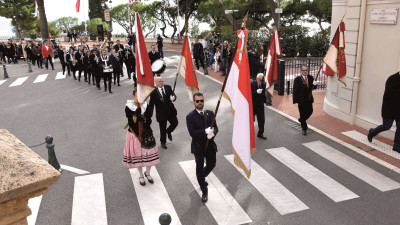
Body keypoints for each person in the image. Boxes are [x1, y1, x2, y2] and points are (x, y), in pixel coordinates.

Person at [186, 92, 218, 203]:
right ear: (194, 102)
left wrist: (213, 133)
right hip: (198, 146)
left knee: (212, 164)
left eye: (202, 101)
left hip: (210, 145)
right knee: (199, 167)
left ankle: (201, 178)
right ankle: (204, 190)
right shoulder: (190, 116)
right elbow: (192, 132)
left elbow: (216, 127)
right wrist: (205, 132)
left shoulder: (210, 113)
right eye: (197, 101)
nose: (200, 103)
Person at [123, 89, 160, 186]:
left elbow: (149, 119)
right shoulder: (129, 107)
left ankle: (147, 173)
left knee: (150, 155)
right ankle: (141, 175)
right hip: (135, 134)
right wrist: (137, 115)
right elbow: (131, 122)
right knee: (138, 157)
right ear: (133, 96)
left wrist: (143, 119)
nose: (139, 98)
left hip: (146, 132)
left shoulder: (145, 105)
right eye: (137, 96)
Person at [368, 72, 400, 152]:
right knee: (387, 126)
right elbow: (387, 95)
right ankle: (372, 132)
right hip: (389, 108)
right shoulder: (392, 79)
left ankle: (396, 146)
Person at [148, 77, 178, 149]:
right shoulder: (153, 91)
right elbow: (151, 104)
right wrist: (149, 115)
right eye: (159, 81)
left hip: (170, 111)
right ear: (156, 83)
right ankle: (163, 142)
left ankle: (169, 130)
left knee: (175, 123)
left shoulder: (168, 87)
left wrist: (173, 97)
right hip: (161, 113)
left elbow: (173, 95)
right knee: (162, 128)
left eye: (162, 81)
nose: (161, 83)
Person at [293, 65, 317, 135]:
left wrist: (315, 85)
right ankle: (304, 128)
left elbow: (313, 88)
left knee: (310, 111)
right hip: (301, 100)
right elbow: (295, 91)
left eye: (306, 70)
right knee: (302, 114)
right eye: (304, 70)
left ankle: (301, 120)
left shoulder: (310, 77)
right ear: (301, 71)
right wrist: (295, 101)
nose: (305, 71)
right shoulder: (297, 79)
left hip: (309, 99)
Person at [251, 73, 267, 139]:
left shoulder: (263, 85)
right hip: (253, 105)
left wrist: (265, 102)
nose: (261, 81)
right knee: (251, 120)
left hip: (260, 105)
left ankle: (260, 133)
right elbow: (250, 93)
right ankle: (249, 134)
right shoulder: (252, 84)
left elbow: (263, 95)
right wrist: (256, 92)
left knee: (261, 120)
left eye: (262, 80)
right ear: (257, 79)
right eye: (260, 80)